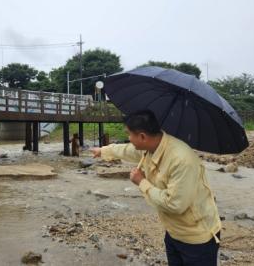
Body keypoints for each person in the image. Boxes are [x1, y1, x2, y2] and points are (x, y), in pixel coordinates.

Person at [91, 110, 221, 266]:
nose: (129, 139)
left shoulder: (181, 160)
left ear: (142, 137)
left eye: (129, 134)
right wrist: (104, 151)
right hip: (173, 231)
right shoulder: (152, 146)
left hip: (196, 238)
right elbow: (128, 150)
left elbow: (174, 204)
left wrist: (142, 182)